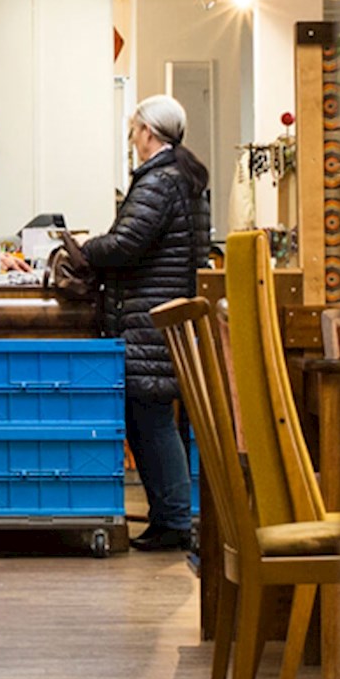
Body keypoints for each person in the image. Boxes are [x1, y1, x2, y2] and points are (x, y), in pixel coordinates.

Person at [81, 94, 210, 551]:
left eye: (135, 129)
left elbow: (126, 244)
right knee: (149, 419)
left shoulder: (160, 181)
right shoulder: (184, 177)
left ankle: (174, 520)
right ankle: (169, 517)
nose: (132, 137)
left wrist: (82, 248)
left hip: (147, 317)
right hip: (160, 314)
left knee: (150, 420)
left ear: (148, 133)